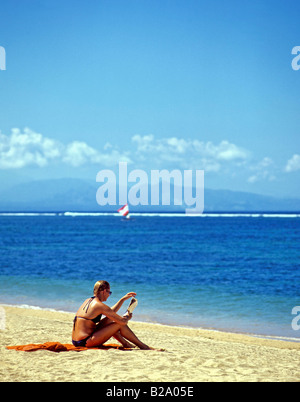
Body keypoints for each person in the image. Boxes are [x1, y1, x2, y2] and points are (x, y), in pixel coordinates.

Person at [72, 280, 151, 349]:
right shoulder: (98, 305)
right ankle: (143, 346)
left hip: (76, 340)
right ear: (104, 291)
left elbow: (110, 313)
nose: (109, 295)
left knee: (110, 319)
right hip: (85, 341)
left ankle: (126, 344)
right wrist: (127, 316)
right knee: (119, 324)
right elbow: (123, 322)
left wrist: (122, 300)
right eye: (109, 292)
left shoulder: (88, 300)